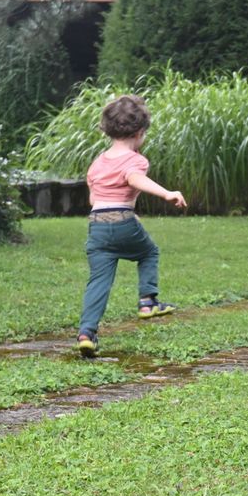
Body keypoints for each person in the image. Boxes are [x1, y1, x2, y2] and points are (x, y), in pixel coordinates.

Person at [77, 94, 187, 358]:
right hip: (122, 221)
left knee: (99, 280)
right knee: (148, 252)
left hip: (97, 225)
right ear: (139, 133)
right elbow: (134, 179)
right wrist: (166, 193)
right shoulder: (135, 160)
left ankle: (86, 333)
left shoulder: (97, 163)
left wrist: (122, 209)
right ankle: (148, 301)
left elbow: (95, 199)